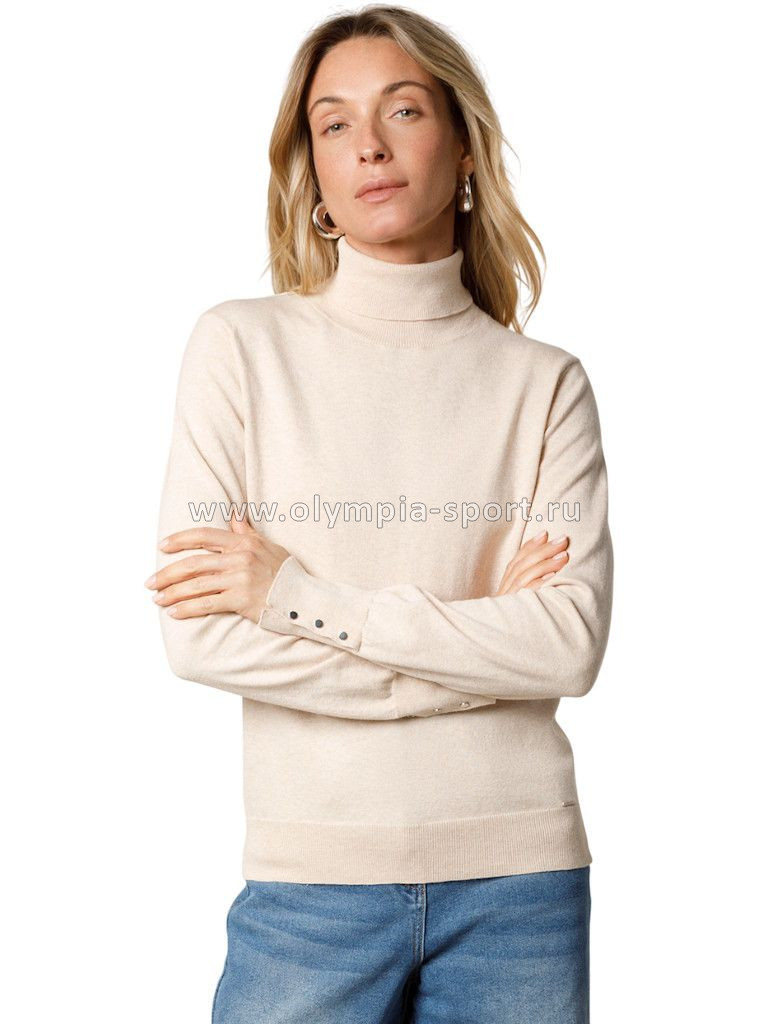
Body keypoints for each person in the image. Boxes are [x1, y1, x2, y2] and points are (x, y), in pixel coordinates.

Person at [145, 6, 613, 1022]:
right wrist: (482, 653)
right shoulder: (240, 348)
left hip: (522, 884)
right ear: (312, 169)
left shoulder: (545, 384)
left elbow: (567, 647)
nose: (368, 144)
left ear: (464, 144)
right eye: (333, 122)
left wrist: (294, 596)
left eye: (402, 110)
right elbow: (197, 636)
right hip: (310, 882)